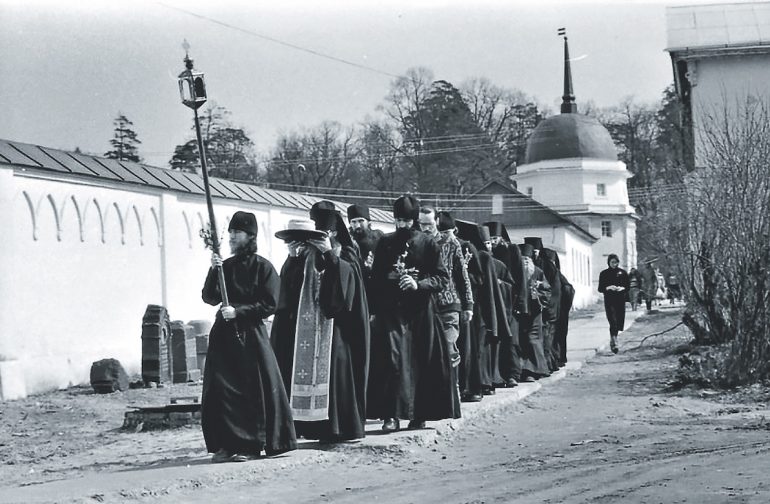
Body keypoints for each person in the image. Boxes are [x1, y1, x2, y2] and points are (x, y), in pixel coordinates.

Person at [201, 211, 297, 462]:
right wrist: (213, 271)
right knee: (221, 389)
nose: (232, 237)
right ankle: (226, 444)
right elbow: (209, 297)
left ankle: (250, 445)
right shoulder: (226, 266)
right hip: (223, 335)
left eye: (237, 233)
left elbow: (271, 303)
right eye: (231, 232)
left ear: (250, 236)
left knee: (250, 389)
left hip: (250, 335)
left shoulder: (263, 267)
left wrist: (240, 311)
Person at [271, 204, 370, 443]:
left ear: (333, 234)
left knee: (336, 372)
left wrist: (329, 255)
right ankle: (305, 426)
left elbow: (345, 297)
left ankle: (336, 428)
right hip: (304, 329)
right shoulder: (304, 255)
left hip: (336, 328)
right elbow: (288, 291)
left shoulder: (346, 253)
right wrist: (292, 260)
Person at [367, 196, 452, 431]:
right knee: (392, 360)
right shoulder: (385, 242)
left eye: (405, 220)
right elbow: (375, 278)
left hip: (421, 312)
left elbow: (442, 278)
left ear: (414, 220)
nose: (401, 225)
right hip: (391, 311)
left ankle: (419, 414)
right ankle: (390, 415)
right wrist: (385, 288)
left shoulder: (428, 243)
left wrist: (419, 284)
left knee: (420, 363)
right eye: (398, 220)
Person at [418, 208, 473, 371]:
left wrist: (468, 304)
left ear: (436, 222)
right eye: (422, 224)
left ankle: (453, 390)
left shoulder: (450, 243)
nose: (426, 228)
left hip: (448, 303)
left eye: (429, 224)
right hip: (424, 305)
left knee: (448, 350)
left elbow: (462, 275)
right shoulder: (417, 242)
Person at [516, 243, 552, 381]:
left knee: (534, 340)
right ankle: (525, 370)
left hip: (535, 311)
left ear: (531, 261)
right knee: (522, 340)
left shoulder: (538, 272)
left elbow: (547, 289)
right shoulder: (516, 271)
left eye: (527, 260)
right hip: (520, 311)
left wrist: (539, 291)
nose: (525, 262)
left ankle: (537, 369)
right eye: (523, 259)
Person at [598, 254, 630, 354]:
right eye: (612, 262)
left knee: (619, 321)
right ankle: (614, 341)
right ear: (608, 262)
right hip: (609, 300)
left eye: (616, 262)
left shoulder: (623, 273)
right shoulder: (604, 273)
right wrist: (608, 287)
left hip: (620, 300)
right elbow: (600, 288)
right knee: (612, 320)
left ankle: (614, 338)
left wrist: (622, 288)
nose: (614, 264)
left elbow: (627, 286)